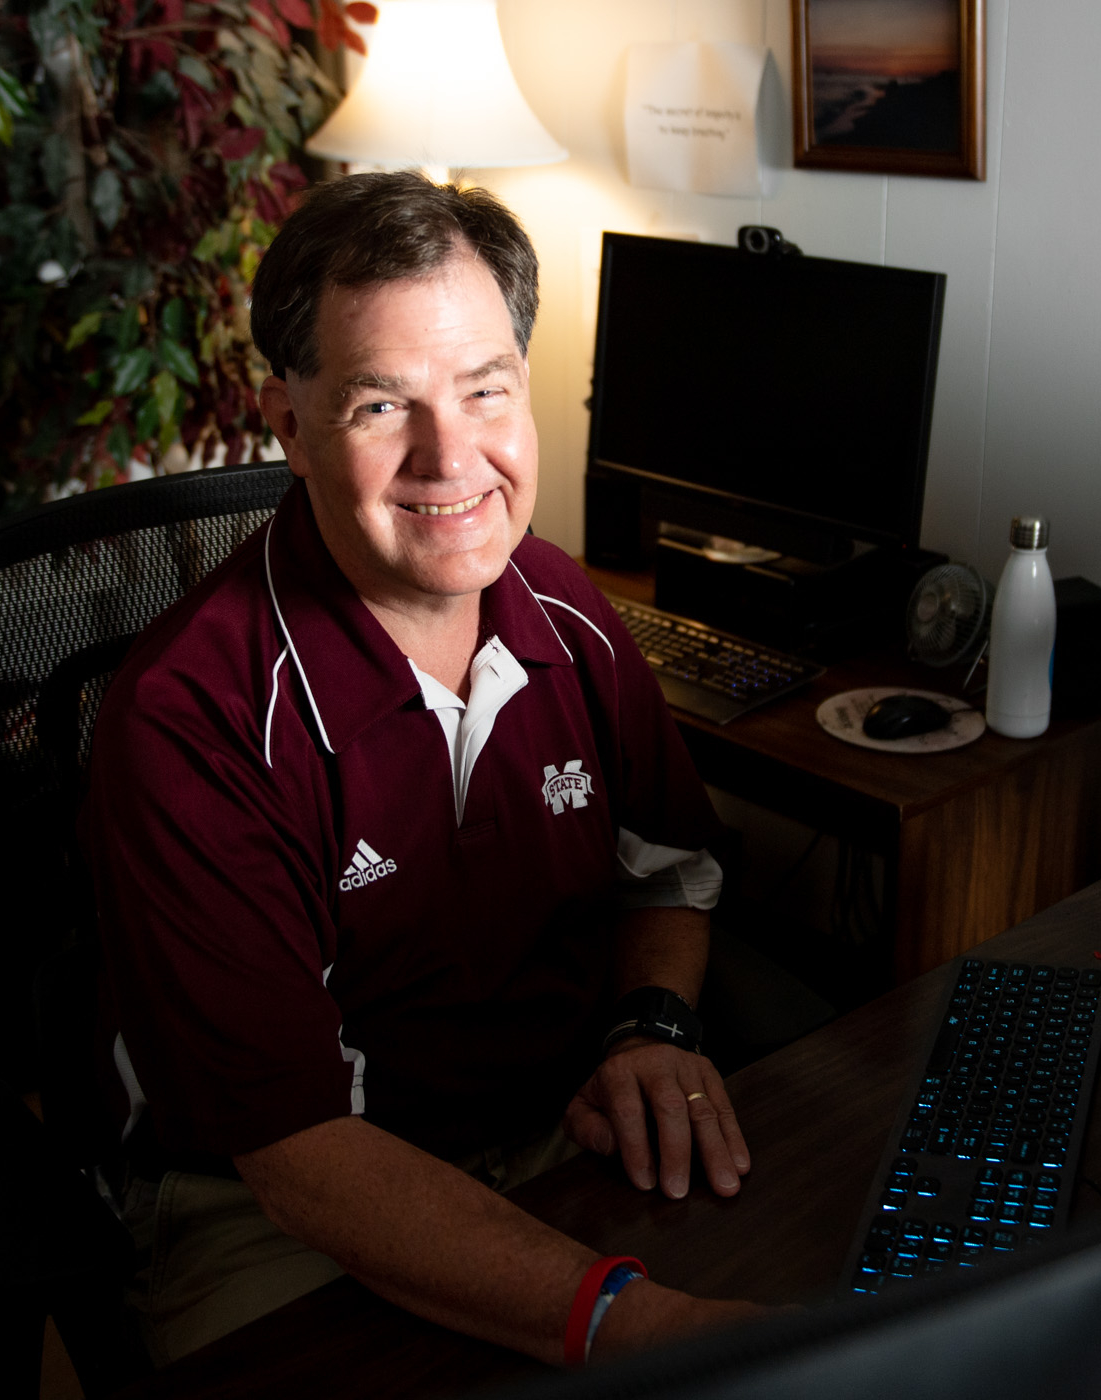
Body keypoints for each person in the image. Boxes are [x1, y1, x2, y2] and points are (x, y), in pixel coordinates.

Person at [81, 171, 767, 1369]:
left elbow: (668, 871)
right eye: (381, 404)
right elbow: (299, 1155)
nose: (452, 459)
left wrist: (650, 1023)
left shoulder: (570, 610)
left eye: (486, 389)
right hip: (267, 1202)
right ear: (290, 426)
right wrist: (640, 1324)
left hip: (554, 1121)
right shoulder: (188, 718)